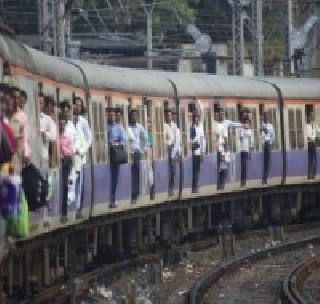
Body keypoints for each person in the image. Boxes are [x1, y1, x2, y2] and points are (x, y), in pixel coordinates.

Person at [73, 97, 92, 218]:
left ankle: (77, 208)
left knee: (79, 182)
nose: (77, 107)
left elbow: (89, 138)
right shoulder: (68, 120)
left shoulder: (83, 121)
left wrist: (83, 150)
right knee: (72, 182)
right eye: (75, 105)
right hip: (70, 155)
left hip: (80, 156)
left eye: (79, 105)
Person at [107, 107, 127, 208]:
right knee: (108, 178)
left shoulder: (119, 127)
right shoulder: (105, 127)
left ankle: (113, 199)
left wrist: (116, 144)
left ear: (115, 117)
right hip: (106, 154)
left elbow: (125, 140)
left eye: (112, 115)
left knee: (114, 178)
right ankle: (108, 198)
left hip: (115, 154)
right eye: (109, 115)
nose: (111, 117)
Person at [127, 109, 147, 204]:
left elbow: (145, 138)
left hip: (137, 152)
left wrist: (143, 150)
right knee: (131, 174)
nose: (134, 117)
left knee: (136, 173)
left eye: (135, 115)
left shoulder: (140, 127)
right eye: (132, 115)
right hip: (129, 152)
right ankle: (132, 194)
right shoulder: (127, 127)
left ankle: (135, 194)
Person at [58, 114, 73, 223]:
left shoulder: (67, 137)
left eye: (63, 124)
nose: (62, 126)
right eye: (60, 124)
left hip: (65, 162)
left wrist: (62, 147)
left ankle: (64, 213)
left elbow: (70, 152)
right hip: (57, 162)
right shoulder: (55, 136)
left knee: (64, 186)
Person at [12, 87, 30, 165]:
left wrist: (26, 153)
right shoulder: (4, 114)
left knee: (15, 176)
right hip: (5, 154)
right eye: (14, 98)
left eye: (18, 98)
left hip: (18, 155)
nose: (16, 101)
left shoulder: (22, 116)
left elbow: (25, 138)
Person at [164, 109, 178, 196]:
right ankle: (169, 189)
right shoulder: (163, 125)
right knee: (168, 170)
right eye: (167, 115)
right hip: (167, 149)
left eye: (170, 115)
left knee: (173, 170)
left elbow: (176, 138)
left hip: (173, 149)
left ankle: (172, 187)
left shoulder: (174, 126)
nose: (169, 117)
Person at [190, 113, 205, 193]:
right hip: (194, 152)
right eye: (195, 118)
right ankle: (194, 187)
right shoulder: (192, 128)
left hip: (199, 152)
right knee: (195, 170)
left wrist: (202, 153)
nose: (196, 120)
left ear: (198, 119)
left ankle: (197, 186)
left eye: (197, 118)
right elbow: (191, 139)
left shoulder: (201, 127)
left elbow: (202, 140)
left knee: (198, 170)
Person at [239, 118, 254, 187]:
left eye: (247, 123)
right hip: (242, 150)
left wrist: (250, 153)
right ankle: (242, 181)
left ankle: (244, 181)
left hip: (247, 151)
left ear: (249, 124)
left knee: (244, 166)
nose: (246, 124)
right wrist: (243, 129)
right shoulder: (242, 130)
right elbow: (240, 138)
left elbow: (251, 143)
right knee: (242, 166)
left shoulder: (250, 132)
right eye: (245, 123)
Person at [261, 112, 274, 184]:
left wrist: (270, 143)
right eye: (264, 117)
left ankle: (265, 179)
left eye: (266, 117)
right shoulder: (262, 125)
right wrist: (262, 143)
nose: (265, 118)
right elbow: (261, 135)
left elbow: (272, 135)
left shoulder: (270, 126)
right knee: (264, 162)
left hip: (268, 144)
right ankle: (263, 178)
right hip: (264, 144)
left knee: (267, 162)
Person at [306, 111, 318, 179]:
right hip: (309, 143)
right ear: (308, 117)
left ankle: (313, 175)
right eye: (310, 116)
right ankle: (309, 175)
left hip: (314, 143)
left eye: (312, 116)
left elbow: (319, 131)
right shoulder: (307, 125)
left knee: (314, 160)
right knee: (310, 160)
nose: (311, 117)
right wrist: (313, 137)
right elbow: (307, 135)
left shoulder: (315, 125)